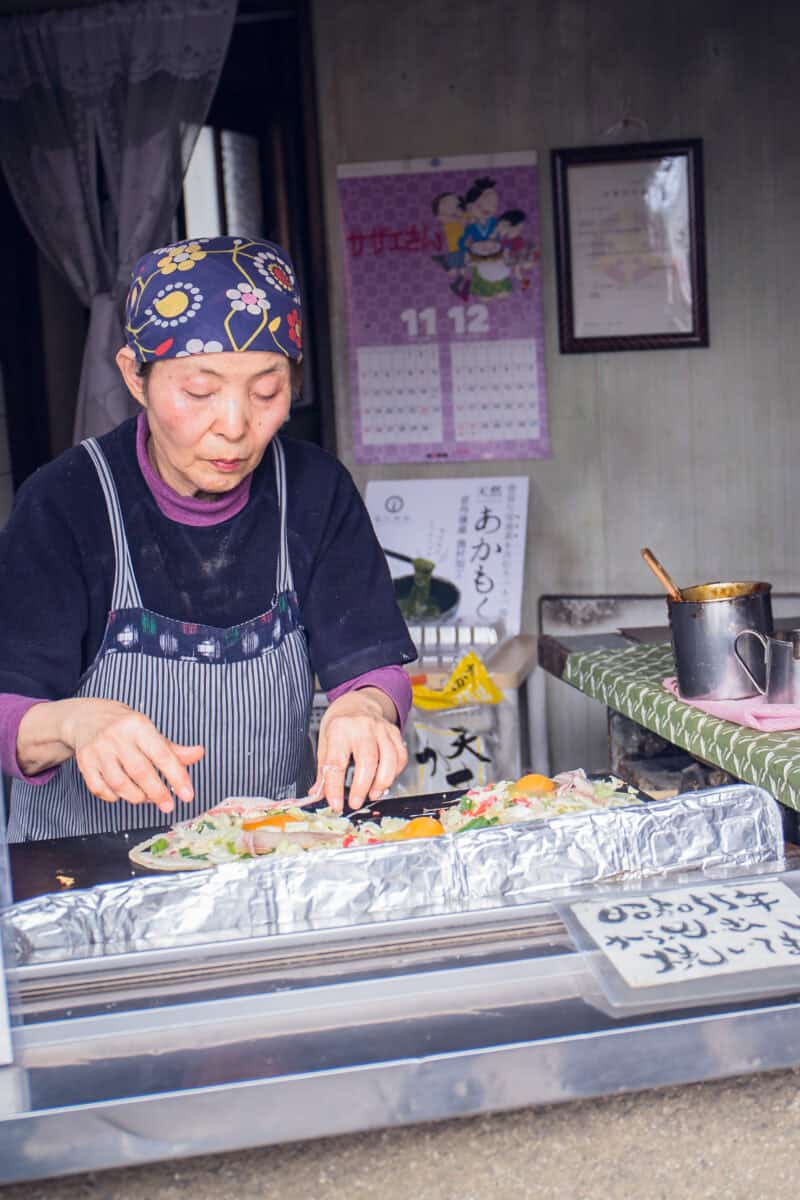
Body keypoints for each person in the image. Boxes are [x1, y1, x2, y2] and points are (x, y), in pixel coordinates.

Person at [0, 235, 417, 841]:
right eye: (200, 391)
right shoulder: (66, 502)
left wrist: (364, 708)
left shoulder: (312, 489)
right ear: (134, 377)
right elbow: (8, 712)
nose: (235, 425)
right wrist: (75, 723)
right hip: (87, 879)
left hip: (267, 860)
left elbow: (371, 666)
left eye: (266, 391)